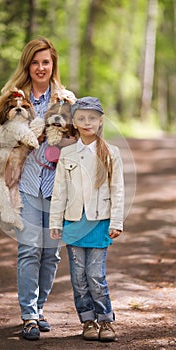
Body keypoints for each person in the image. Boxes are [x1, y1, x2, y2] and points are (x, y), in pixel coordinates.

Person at [0, 37, 76, 340]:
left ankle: (40, 308)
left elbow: (82, 134)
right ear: (27, 65)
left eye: (45, 62)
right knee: (30, 249)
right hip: (23, 183)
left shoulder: (64, 98)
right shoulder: (13, 96)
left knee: (52, 254)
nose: (40, 67)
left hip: (58, 186)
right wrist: (21, 134)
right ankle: (29, 316)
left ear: (52, 65)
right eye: (34, 62)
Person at [49, 97, 124, 342]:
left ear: (100, 121)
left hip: (99, 222)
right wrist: (55, 222)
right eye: (81, 118)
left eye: (92, 118)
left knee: (95, 275)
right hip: (73, 222)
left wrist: (116, 222)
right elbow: (59, 190)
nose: (87, 122)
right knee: (79, 277)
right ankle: (88, 320)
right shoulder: (67, 153)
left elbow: (118, 190)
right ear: (75, 122)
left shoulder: (111, 153)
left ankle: (105, 321)